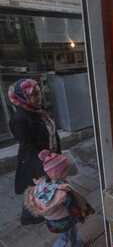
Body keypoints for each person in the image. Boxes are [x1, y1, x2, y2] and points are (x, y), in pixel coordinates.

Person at [8, 78, 61, 225]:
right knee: (34, 189)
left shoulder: (37, 110)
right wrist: (40, 168)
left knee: (39, 188)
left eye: (39, 93)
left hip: (46, 157)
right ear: (22, 96)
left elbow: (50, 132)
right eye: (34, 94)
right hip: (33, 161)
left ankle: (37, 212)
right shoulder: (19, 119)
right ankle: (27, 217)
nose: (39, 97)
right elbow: (27, 147)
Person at [24, 150, 94, 247]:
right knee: (64, 238)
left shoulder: (42, 184)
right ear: (56, 173)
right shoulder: (63, 192)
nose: (68, 170)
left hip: (53, 221)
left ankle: (78, 243)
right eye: (65, 169)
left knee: (73, 230)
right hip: (64, 220)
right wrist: (81, 217)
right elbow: (72, 207)